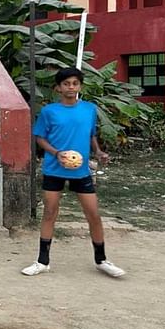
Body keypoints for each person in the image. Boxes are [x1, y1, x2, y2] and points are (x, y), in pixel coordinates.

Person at [21, 67, 125, 278]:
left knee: (93, 214)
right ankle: (42, 261)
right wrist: (56, 153)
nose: (71, 87)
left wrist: (98, 151)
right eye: (66, 84)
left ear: (80, 86)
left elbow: (91, 135)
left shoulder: (89, 109)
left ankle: (102, 260)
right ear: (58, 88)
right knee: (50, 213)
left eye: (75, 83)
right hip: (54, 169)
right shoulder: (50, 111)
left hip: (81, 172)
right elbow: (40, 138)